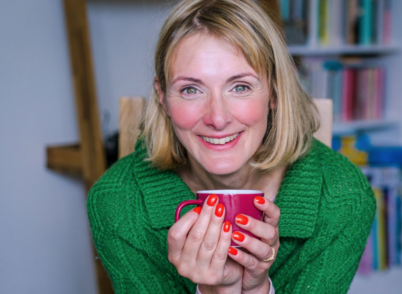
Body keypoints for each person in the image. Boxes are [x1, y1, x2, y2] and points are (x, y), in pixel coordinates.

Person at [87, 0, 376, 293]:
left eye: (240, 87)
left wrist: (256, 289)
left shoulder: (342, 197)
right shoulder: (119, 202)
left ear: (274, 92)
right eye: (190, 89)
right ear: (162, 97)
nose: (218, 118)